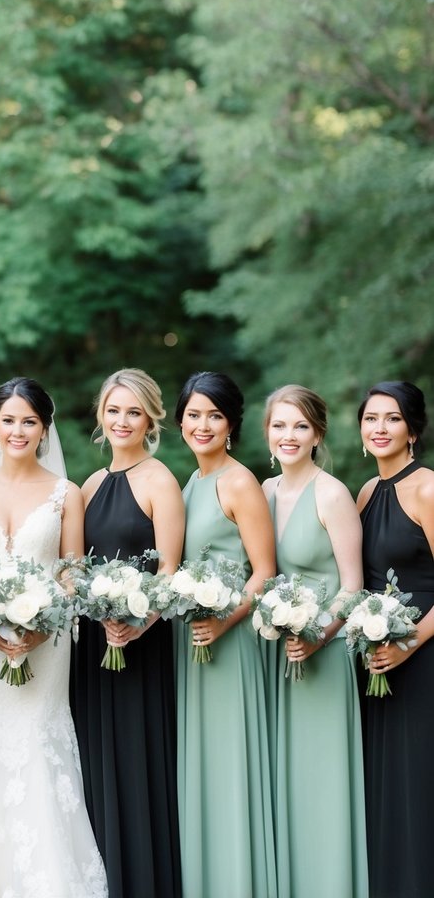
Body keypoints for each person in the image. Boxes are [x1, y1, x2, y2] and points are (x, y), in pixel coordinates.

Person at [0, 376, 107, 898]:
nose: (17, 430)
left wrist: (42, 625)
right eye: (7, 420)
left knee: (39, 740)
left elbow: (72, 573)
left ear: (44, 429)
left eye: (28, 421)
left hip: (48, 641)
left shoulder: (66, 493)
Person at [71, 368, 184, 898]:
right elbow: (75, 567)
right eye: (114, 410)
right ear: (101, 415)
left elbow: (169, 570)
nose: (122, 421)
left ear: (151, 419)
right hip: (96, 643)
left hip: (143, 640)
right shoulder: (90, 485)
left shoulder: (160, 479)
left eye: (134, 412)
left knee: (139, 765)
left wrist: (139, 624)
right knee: (97, 763)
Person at [173, 371, 276, 898]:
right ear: (180, 421)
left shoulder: (239, 482)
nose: (203, 424)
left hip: (229, 645)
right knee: (202, 772)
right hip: (190, 647)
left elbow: (264, 572)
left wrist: (223, 620)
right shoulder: (189, 482)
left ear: (232, 424)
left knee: (229, 767)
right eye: (194, 414)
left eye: (214, 415)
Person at [262, 385, 367, 898]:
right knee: (284, 786)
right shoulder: (261, 491)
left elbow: (353, 586)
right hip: (274, 661)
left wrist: (318, 633)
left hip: (324, 658)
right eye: (280, 425)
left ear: (318, 434)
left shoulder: (332, 493)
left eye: (300, 426)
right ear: (267, 432)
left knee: (323, 784)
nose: (289, 435)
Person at [356, 380, 434, 898]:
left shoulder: (427, 488)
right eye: (371, 419)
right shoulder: (364, 493)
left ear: (412, 430)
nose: (380, 428)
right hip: (376, 658)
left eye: (392, 419)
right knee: (384, 788)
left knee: (419, 787)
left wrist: (408, 644)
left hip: (423, 655)